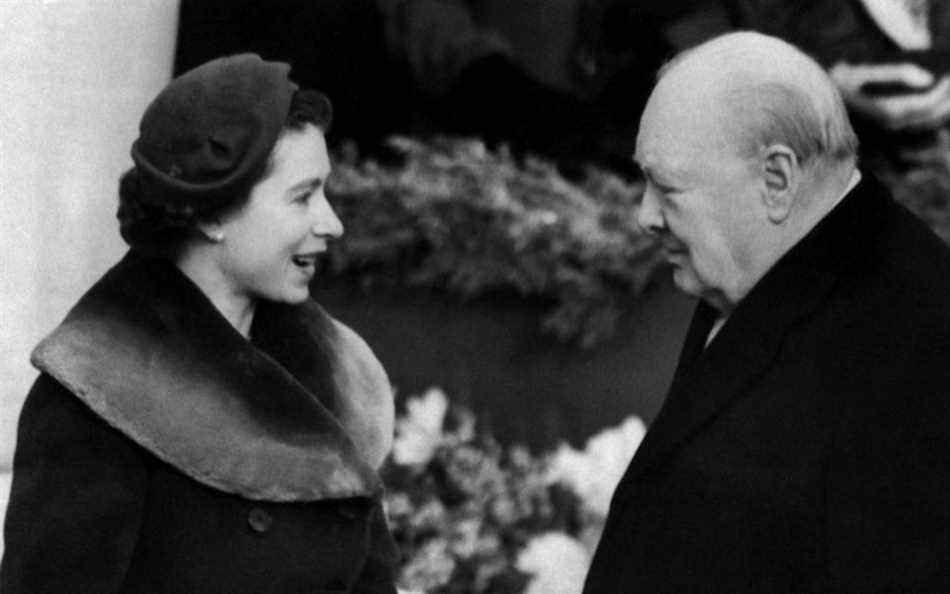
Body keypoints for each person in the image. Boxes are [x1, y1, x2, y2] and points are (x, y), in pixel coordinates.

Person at [0, 54, 399, 593]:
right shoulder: (94, 398)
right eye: (303, 196)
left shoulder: (329, 372)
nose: (332, 223)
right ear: (212, 214)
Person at [583, 32, 950, 593]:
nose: (645, 216)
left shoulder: (913, 336)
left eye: (667, 188)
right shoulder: (766, 264)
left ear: (776, 179)